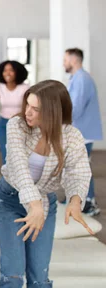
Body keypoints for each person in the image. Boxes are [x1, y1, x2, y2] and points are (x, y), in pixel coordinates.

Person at [0, 80, 94, 288]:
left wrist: (75, 201)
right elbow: (18, 166)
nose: (27, 112)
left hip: (46, 204)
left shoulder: (71, 136)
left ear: (52, 111)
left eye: (35, 109)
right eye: (27, 105)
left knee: (40, 278)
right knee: (13, 276)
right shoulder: (16, 125)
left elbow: (78, 172)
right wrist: (34, 204)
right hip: (9, 201)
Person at [63, 48, 103, 216]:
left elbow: (75, 108)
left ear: (74, 60)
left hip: (82, 133)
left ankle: (88, 203)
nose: (63, 63)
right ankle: (75, 199)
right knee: (75, 168)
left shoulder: (82, 79)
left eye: (65, 59)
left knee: (80, 168)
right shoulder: (77, 78)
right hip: (79, 132)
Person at [0, 60, 30, 166]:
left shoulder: (25, 88)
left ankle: (20, 179)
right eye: (5, 70)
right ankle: (7, 180)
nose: (7, 73)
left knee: (19, 154)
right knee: (6, 155)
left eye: (11, 70)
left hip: (20, 124)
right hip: (4, 124)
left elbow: (27, 108)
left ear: (17, 72)